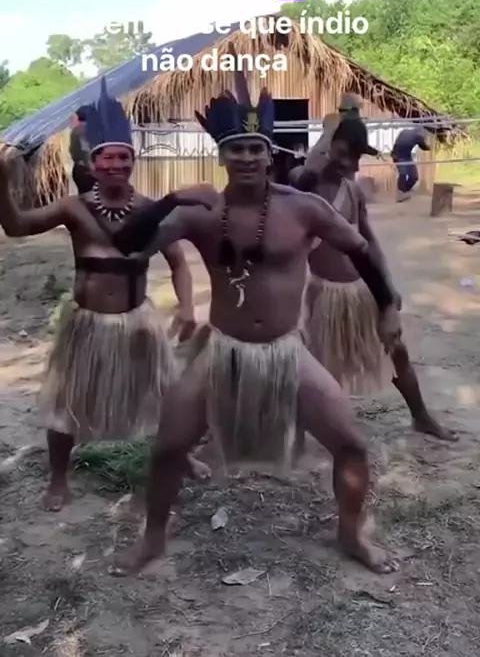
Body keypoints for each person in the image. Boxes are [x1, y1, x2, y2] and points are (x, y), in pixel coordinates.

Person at [108, 69, 404, 578]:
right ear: (221, 156)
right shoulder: (200, 213)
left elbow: (360, 251)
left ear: (269, 155)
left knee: (351, 446)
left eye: (254, 149)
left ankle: (352, 534)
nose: (246, 157)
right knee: (169, 447)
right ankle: (152, 539)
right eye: (236, 149)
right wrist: (171, 200)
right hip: (222, 351)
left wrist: (387, 305)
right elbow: (126, 246)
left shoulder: (305, 208)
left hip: (287, 352)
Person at [0, 79, 213, 511]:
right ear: (93, 164)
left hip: (138, 322)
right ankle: (59, 478)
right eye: (108, 158)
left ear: (133, 161)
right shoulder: (73, 207)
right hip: (87, 324)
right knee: (67, 403)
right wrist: (1, 183)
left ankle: (180, 455)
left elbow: (177, 261)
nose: (116, 165)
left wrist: (188, 307)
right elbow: (17, 226)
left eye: (123, 157)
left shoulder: (149, 208)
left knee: (166, 396)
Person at [294, 116, 456, 441]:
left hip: (363, 290)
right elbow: (305, 176)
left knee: (396, 351)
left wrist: (388, 288)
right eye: (342, 153)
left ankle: (421, 416)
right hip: (323, 296)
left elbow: (370, 244)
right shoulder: (303, 185)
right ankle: (301, 431)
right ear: (326, 147)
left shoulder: (353, 191)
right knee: (316, 368)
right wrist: (328, 134)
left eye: (355, 157)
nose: (349, 164)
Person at [391, 125, 430, 202]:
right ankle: (400, 194)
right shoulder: (418, 136)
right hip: (399, 156)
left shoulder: (404, 131)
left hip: (404, 156)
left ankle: (403, 192)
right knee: (404, 174)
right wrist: (430, 147)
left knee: (413, 176)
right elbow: (424, 147)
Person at [70, 105, 95, 194]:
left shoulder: (75, 130)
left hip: (78, 168)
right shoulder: (85, 130)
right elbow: (85, 151)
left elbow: (72, 150)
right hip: (87, 170)